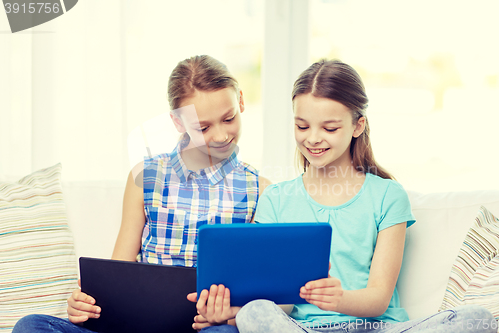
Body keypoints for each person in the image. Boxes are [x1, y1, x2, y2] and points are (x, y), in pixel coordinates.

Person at [192, 59, 496, 333]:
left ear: (357, 125)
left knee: (477, 317)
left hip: (377, 329)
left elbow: (378, 298)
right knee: (256, 311)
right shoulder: (276, 199)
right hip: (304, 329)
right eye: (302, 126)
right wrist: (232, 312)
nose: (312, 138)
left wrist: (339, 299)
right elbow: (278, 304)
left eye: (330, 127)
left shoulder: (388, 195)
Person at [12, 55, 270, 333]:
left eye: (229, 118)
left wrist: (227, 316)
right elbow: (119, 274)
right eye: (203, 127)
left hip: (206, 328)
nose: (220, 136)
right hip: (136, 326)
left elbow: (260, 295)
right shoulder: (145, 177)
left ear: (241, 101)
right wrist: (86, 304)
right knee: (31, 326)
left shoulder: (259, 189)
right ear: (178, 122)